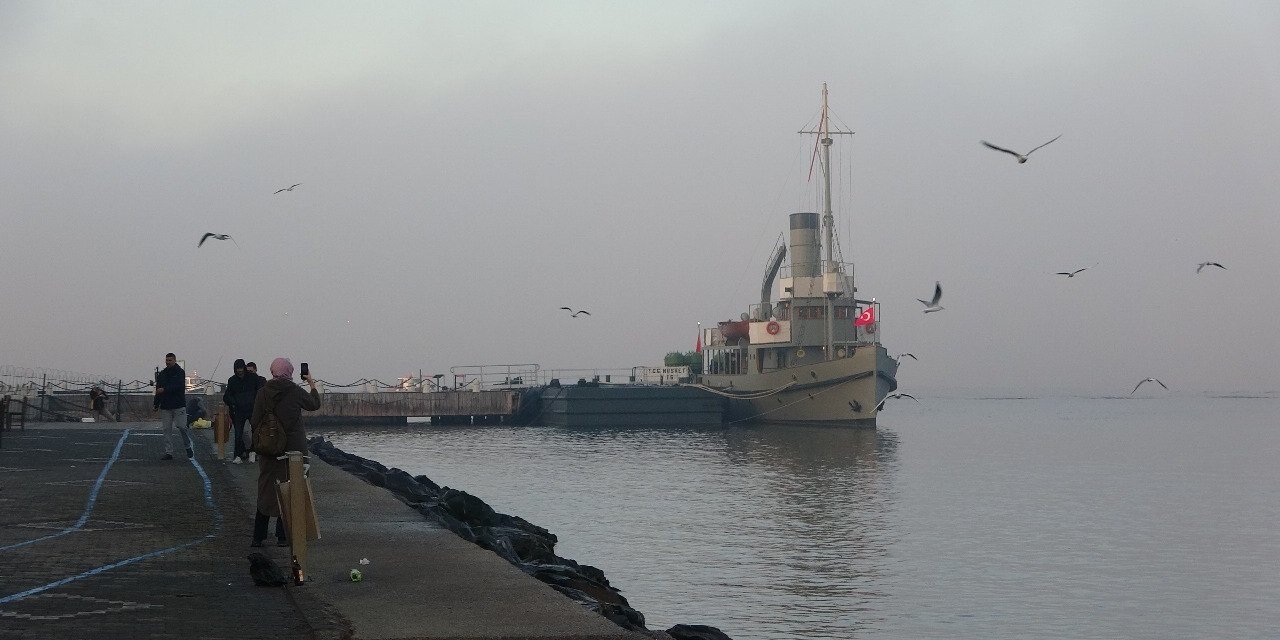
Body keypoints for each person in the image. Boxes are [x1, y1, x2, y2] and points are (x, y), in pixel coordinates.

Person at [250, 357, 321, 547]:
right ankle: (282, 536)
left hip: (268, 449)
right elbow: (314, 404)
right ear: (289, 372)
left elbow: (255, 420)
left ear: (272, 371)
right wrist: (311, 382)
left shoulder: (262, 393)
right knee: (289, 488)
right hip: (293, 449)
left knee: (266, 490)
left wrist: (265, 439)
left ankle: (258, 537)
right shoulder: (295, 391)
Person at [222, 359, 263, 464]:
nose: (239, 371)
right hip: (238, 410)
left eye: (241, 368)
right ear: (235, 369)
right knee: (238, 434)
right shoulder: (232, 380)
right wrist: (234, 403)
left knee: (255, 432)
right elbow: (227, 396)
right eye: (237, 369)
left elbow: (259, 391)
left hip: (252, 409)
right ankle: (238, 455)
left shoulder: (254, 378)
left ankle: (252, 452)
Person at [155, 352, 191, 460]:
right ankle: (169, 452)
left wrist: (165, 389)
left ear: (174, 360)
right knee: (166, 429)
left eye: (170, 360)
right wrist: (156, 403)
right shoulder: (162, 374)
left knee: (182, 426)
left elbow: (178, 386)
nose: (168, 362)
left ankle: (187, 445)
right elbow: (158, 389)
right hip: (165, 406)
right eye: (167, 360)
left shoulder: (180, 372)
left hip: (178, 404)